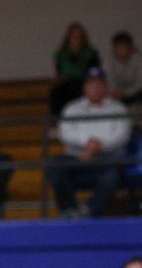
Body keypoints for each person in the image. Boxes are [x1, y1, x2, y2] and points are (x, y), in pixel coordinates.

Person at [47, 67, 132, 218]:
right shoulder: (72, 108)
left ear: (105, 86)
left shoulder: (119, 108)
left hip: (106, 158)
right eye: (91, 83)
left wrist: (98, 145)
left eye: (99, 83)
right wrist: (86, 144)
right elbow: (64, 132)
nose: (95, 87)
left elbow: (122, 136)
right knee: (54, 165)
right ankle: (68, 210)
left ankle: (90, 211)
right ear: (85, 86)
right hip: (78, 157)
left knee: (113, 171)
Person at [49, 22, 101, 116]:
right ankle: (59, 119)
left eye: (78, 36)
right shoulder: (61, 54)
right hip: (64, 84)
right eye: (73, 36)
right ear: (68, 37)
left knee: (77, 88)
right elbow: (59, 72)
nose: (76, 39)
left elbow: (95, 72)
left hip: (84, 83)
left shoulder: (91, 54)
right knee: (55, 92)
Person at [107, 31, 142, 106]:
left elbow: (141, 82)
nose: (120, 50)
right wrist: (115, 93)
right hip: (117, 94)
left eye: (123, 47)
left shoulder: (139, 60)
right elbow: (110, 81)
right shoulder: (109, 62)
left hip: (136, 92)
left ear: (130, 48)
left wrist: (125, 93)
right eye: (117, 47)